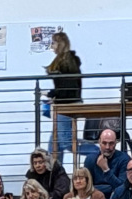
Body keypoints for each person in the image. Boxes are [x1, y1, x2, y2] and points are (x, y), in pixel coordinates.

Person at [45, 31, 82, 161]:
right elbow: (64, 86)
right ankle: (55, 174)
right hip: (65, 103)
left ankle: (97, 150)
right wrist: (53, 95)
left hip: (67, 105)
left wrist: (53, 94)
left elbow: (68, 87)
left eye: (54, 43)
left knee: (65, 142)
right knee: (53, 145)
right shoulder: (65, 60)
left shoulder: (67, 61)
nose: (52, 46)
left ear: (60, 43)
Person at [83, 129, 130, 197]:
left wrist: (106, 170)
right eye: (104, 143)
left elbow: (122, 188)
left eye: (111, 143)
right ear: (99, 142)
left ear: (115, 143)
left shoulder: (124, 159)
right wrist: (110, 188)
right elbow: (86, 188)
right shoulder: (90, 159)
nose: (107, 147)